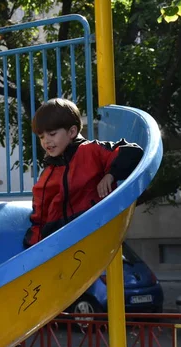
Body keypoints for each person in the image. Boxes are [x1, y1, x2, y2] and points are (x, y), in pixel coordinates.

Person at [23, 98, 143, 248]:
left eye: (52, 134)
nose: (46, 141)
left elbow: (131, 151)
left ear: (72, 131)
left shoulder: (91, 151)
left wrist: (111, 174)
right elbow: (40, 212)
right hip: (58, 239)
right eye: (41, 137)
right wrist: (32, 245)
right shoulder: (49, 172)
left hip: (92, 227)